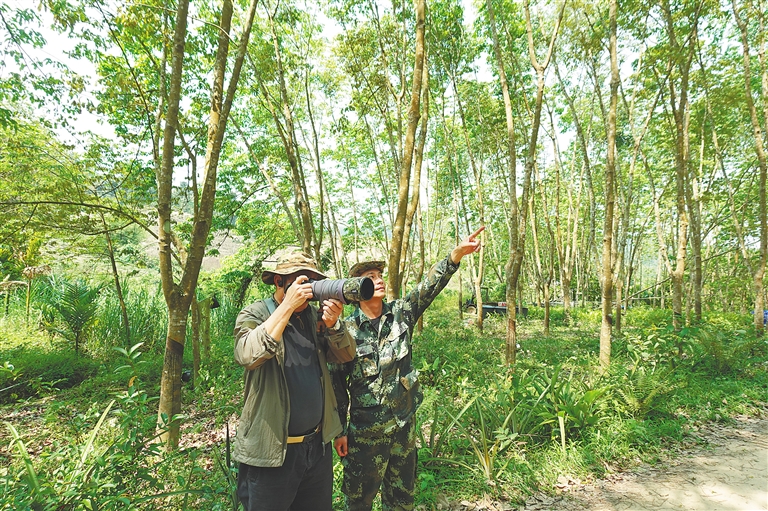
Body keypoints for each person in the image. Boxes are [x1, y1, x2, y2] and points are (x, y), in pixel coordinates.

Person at [331, 227, 485, 511]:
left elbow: (429, 287)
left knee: (402, 500)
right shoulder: (346, 330)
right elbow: (337, 384)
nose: (379, 281)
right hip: (366, 434)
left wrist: (455, 255)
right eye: (370, 278)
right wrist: (339, 430)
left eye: (379, 276)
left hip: (403, 427)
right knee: (359, 501)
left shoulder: (401, 312)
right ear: (355, 289)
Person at [232, 251, 356, 511]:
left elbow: (346, 355)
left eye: (312, 282)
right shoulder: (256, 313)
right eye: (301, 281)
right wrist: (287, 307)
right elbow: (247, 355)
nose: (308, 289)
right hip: (272, 453)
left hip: (316, 448)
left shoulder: (313, 317)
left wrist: (333, 325)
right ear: (279, 281)